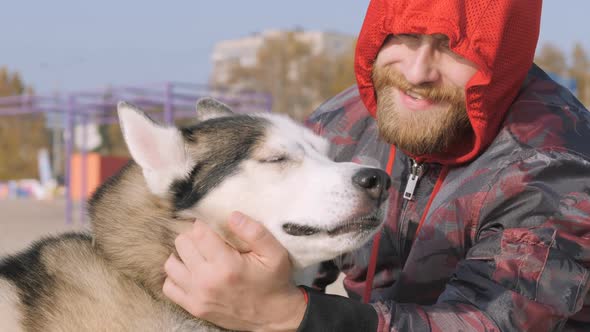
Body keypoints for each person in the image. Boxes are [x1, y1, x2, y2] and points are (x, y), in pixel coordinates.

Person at [162, 0, 590, 330]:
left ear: (502, 58)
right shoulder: (342, 125)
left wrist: (290, 314)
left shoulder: (553, 168)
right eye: (404, 34)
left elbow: (489, 324)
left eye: (453, 47)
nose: (417, 71)